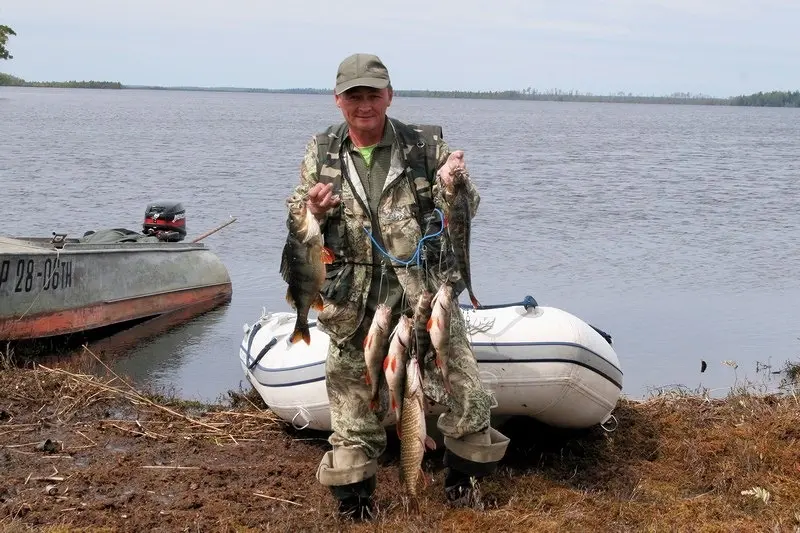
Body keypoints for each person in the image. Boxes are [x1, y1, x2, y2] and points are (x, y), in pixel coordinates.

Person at [283, 53, 510, 520]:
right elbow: (296, 218)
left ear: (389, 96)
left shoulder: (425, 145)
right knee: (352, 414)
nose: (363, 105)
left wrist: (454, 185)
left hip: (424, 297)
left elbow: (470, 205)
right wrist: (314, 209)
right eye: (353, 96)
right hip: (352, 305)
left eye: (372, 95)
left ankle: (461, 486)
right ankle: (356, 505)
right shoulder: (322, 151)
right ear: (338, 100)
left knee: (467, 397)